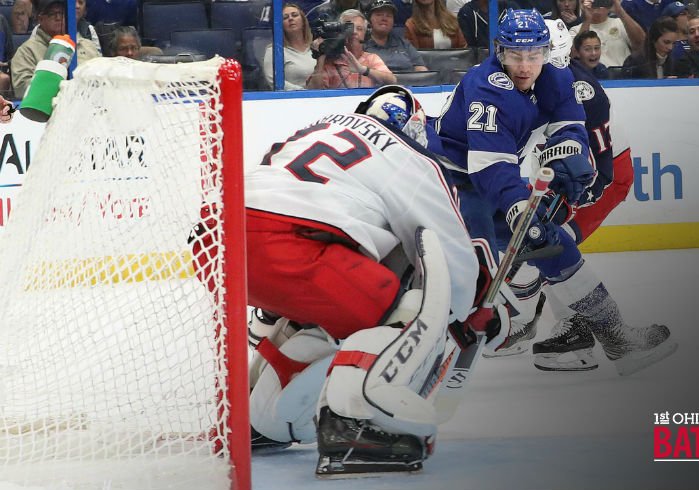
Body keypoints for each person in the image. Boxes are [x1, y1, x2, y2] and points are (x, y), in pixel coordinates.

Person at [243, 85, 485, 474]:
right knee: (404, 307)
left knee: (325, 308)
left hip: (223, 241)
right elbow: (451, 255)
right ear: (416, 128)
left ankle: (261, 417)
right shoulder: (409, 156)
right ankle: (354, 424)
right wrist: (461, 314)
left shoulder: (318, 126)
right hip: (287, 243)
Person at [433, 9, 675, 373]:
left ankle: (616, 337)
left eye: (534, 55)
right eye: (515, 55)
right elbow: (490, 168)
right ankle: (428, 348)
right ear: (500, 51)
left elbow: (571, 129)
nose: (525, 65)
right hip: (449, 180)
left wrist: (568, 158)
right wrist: (516, 203)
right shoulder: (487, 88)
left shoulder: (558, 77)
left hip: (488, 178)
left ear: (546, 52)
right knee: (473, 269)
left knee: (548, 241)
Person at [11, 0, 101, 99]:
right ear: (40, 19)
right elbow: (22, 88)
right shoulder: (27, 51)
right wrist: (63, 87)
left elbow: (102, 80)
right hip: (49, 110)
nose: (58, 18)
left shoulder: (87, 46)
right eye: (52, 14)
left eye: (61, 13)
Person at [306, 9, 397, 89]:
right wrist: (321, 57)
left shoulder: (371, 58)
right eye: (348, 28)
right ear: (339, 32)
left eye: (359, 28)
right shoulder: (329, 61)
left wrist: (363, 70)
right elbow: (313, 91)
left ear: (366, 34)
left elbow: (392, 80)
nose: (354, 32)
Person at [571, 0, 645, 68]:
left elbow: (643, 44)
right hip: (593, 76)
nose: (598, 3)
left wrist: (620, 11)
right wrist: (587, 19)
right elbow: (573, 54)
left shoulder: (621, 23)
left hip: (623, 75)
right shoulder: (576, 30)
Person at [263, 2, 316, 89]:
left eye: (295, 15)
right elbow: (273, 80)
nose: (291, 19)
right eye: (285, 18)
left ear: (303, 21)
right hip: (291, 99)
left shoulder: (315, 47)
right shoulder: (274, 51)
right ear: (280, 25)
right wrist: (304, 92)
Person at [364, 0, 429, 72]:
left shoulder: (404, 44)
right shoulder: (362, 45)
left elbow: (420, 67)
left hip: (408, 82)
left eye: (389, 16)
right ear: (369, 20)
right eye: (379, 14)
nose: (384, 19)